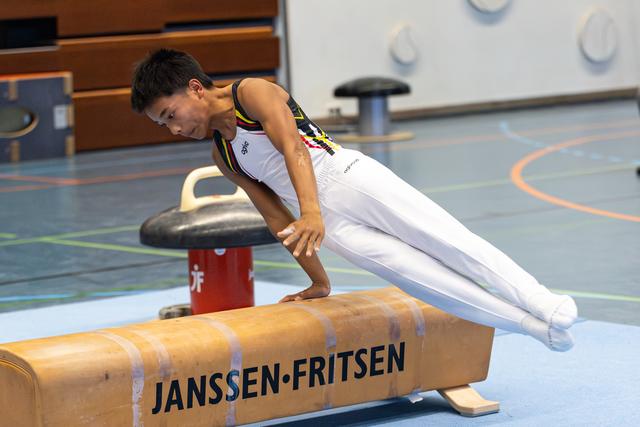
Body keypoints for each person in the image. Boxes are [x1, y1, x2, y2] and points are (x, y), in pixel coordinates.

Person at [131, 49, 578, 351]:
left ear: (194, 87)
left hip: (347, 178)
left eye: (170, 115)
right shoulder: (224, 154)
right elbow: (275, 216)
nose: (173, 129)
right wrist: (319, 280)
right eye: (161, 125)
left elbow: (292, 147)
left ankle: (542, 301)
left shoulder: (253, 92)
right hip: (329, 227)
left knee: (448, 242)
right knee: (422, 280)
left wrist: (311, 211)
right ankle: (532, 328)